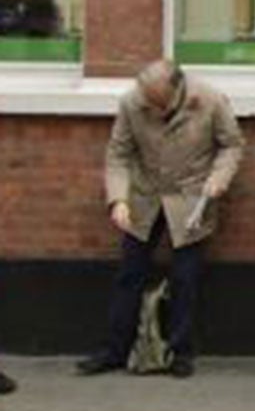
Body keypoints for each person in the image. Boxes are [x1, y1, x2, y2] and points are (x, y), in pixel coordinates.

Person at [76, 60, 245, 379]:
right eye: (147, 102)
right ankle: (115, 350)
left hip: (192, 196)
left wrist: (220, 178)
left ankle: (180, 352)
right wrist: (118, 200)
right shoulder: (131, 102)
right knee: (130, 272)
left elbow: (232, 145)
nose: (150, 109)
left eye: (157, 103)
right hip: (145, 195)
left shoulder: (210, 100)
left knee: (185, 276)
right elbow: (119, 154)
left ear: (176, 91)